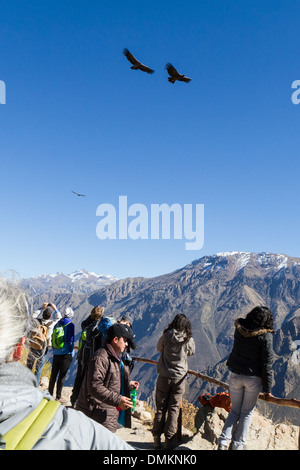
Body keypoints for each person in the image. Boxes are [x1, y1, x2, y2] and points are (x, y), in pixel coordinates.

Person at [0, 279, 134, 450]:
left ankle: (62, 394)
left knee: (64, 376)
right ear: (19, 349)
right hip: (65, 356)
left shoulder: (86, 327)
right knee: (60, 376)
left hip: (66, 355)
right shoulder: (68, 429)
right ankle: (58, 395)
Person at [218, 306, 275, 450]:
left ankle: (223, 442)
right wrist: (267, 389)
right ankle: (237, 445)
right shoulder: (266, 336)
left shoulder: (240, 330)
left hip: (235, 374)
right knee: (246, 413)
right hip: (253, 379)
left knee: (234, 411)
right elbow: (267, 364)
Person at [76, 322, 139, 433]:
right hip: (96, 414)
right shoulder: (100, 357)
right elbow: (94, 386)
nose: (127, 344)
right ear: (115, 340)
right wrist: (118, 399)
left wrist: (127, 384)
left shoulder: (114, 357)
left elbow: (110, 380)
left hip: (106, 413)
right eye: (124, 340)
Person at [152, 313, 195, 450]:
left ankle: (156, 439)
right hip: (179, 379)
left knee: (160, 408)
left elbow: (159, 348)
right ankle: (169, 441)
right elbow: (192, 352)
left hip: (164, 376)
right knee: (174, 408)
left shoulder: (166, 336)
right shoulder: (188, 339)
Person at [70, 305, 104, 407]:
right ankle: (85, 401)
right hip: (92, 357)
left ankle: (74, 398)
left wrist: (95, 314)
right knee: (90, 379)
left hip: (82, 355)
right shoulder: (99, 328)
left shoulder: (85, 325)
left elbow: (87, 320)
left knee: (79, 377)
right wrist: (102, 314)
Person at [26, 302, 61, 385]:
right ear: (50, 316)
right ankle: (35, 386)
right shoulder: (51, 324)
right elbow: (59, 318)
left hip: (33, 345)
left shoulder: (37, 322)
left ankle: (26, 383)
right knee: (39, 368)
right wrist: (55, 309)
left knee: (29, 366)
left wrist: (41, 308)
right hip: (43, 348)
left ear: (42, 315)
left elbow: (32, 316)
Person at [48, 307, 75, 403]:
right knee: (62, 376)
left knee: (53, 374)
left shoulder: (58, 323)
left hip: (56, 352)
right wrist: (71, 351)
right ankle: (58, 397)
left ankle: (49, 394)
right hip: (66, 353)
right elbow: (70, 340)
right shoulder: (70, 324)